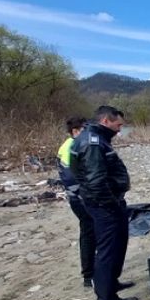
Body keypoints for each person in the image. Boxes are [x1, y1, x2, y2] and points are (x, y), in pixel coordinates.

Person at [69, 106, 137, 300]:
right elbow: (95, 180)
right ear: (106, 121)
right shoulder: (92, 143)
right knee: (107, 250)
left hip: (103, 202)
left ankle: (110, 283)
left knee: (116, 245)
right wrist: (112, 203)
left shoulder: (93, 138)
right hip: (103, 204)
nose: (120, 129)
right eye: (119, 125)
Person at [57, 116, 96, 288]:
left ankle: (92, 272)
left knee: (90, 233)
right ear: (76, 131)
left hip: (79, 197)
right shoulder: (70, 147)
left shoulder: (70, 145)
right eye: (85, 129)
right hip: (81, 199)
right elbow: (70, 177)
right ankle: (89, 275)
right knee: (89, 233)